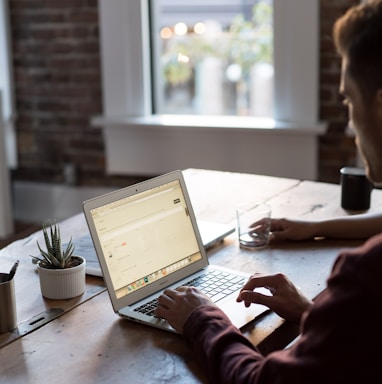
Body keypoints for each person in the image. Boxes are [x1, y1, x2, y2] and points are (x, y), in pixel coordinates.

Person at [155, 1, 382, 382]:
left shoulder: (366, 275)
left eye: (348, 100)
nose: (349, 125)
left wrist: (202, 318)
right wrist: (315, 314)